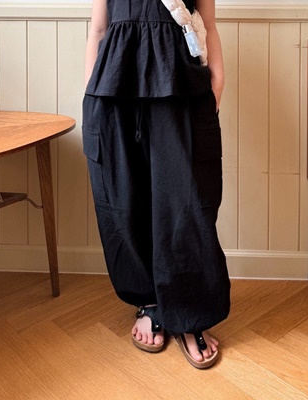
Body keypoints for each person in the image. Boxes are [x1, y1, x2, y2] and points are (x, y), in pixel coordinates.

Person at [82, 0, 230, 369]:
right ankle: (149, 301)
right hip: (114, 89)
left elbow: (208, 24)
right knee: (123, 199)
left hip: (181, 87)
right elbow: (98, 29)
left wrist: (217, 84)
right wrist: (90, 95)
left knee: (187, 203)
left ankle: (190, 313)